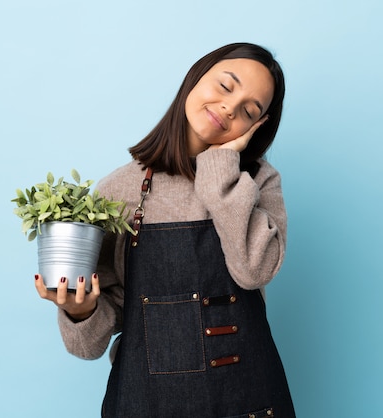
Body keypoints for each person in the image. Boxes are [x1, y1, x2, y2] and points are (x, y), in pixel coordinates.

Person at [35, 42, 296, 417]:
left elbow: (252, 271)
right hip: (149, 403)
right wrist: (82, 310)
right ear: (196, 77)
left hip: (249, 401)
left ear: (256, 127)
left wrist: (221, 168)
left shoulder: (258, 182)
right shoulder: (119, 190)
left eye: (249, 110)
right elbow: (88, 345)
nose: (228, 107)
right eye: (225, 87)